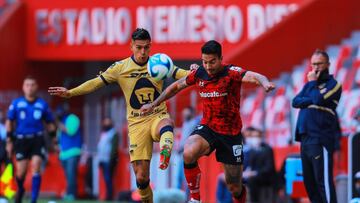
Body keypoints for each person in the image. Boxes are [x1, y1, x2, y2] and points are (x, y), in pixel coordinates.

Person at [48, 28, 193, 202]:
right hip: (137, 124)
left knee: (166, 123)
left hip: (157, 115)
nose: (143, 52)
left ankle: (165, 150)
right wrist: (71, 93)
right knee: (141, 178)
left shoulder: (159, 62)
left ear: (151, 46)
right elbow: (96, 83)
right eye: (139, 47)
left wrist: (195, 70)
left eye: (146, 47)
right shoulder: (120, 67)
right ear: (131, 46)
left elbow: (185, 76)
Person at [140, 40, 275, 203]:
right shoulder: (199, 74)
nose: (208, 66)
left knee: (234, 186)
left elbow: (254, 76)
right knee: (188, 152)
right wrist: (154, 104)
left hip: (230, 134)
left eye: (212, 62)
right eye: (205, 62)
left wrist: (265, 83)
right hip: (208, 127)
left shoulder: (231, 72)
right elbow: (175, 87)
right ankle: (195, 199)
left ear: (220, 58)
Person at [292, 49, 341, 203]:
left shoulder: (333, 84)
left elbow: (319, 100)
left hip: (320, 138)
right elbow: (295, 101)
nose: (316, 67)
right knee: (310, 183)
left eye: (319, 64)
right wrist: (312, 94)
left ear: (328, 64)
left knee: (323, 182)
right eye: (313, 64)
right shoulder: (309, 86)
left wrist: (313, 85)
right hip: (305, 138)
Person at [6, 76, 57, 203]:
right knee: (20, 172)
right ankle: (21, 189)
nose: (30, 87)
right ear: (23, 87)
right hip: (21, 140)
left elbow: (50, 123)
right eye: (27, 85)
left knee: (36, 166)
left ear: (36, 87)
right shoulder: (16, 103)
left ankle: (33, 200)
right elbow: (9, 122)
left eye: (32, 85)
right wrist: (9, 141)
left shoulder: (42, 104)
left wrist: (55, 141)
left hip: (37, 139)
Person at [55, 104, 82, 201]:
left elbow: (71, 131)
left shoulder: (72, 118)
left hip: (73, 152)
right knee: (68, 176)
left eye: (60, 112)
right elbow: (59, 138)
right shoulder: (61, 122)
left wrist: (59, 124)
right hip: (64, 154)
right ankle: (69, 193)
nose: (58, 114)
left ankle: (72, 195)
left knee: (71, 175)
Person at [243, 128, 276, 203]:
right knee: (233, 179)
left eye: (256, 136)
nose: (254, 138)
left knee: (252, 180)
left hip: (265, 176)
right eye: (252, 136)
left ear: (261, 137)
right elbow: (249, 165)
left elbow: (269, 168)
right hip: (252, 175)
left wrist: (255, 173)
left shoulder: (267, 149)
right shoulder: (251, 150)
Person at [177, 106, 200, 193]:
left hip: (188, 152)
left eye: (186, 112)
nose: (184, 114)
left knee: (186, 177)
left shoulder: (194, 122)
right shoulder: (185, 123)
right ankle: (179, 196)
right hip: (182, 152)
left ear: (192, 113)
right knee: (179, 177)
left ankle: (186, 196)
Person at [97, 117, 118, 200]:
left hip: (109, 160)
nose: (106, 124)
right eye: (105, 122)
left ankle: (109, 196)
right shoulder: (104, 133)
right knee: (106, 179)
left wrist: (111, 159)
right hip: (102, 159)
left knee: (108, 178)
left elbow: (114, 148)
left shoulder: (113, 133)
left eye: (107, 122)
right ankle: (107, 195)